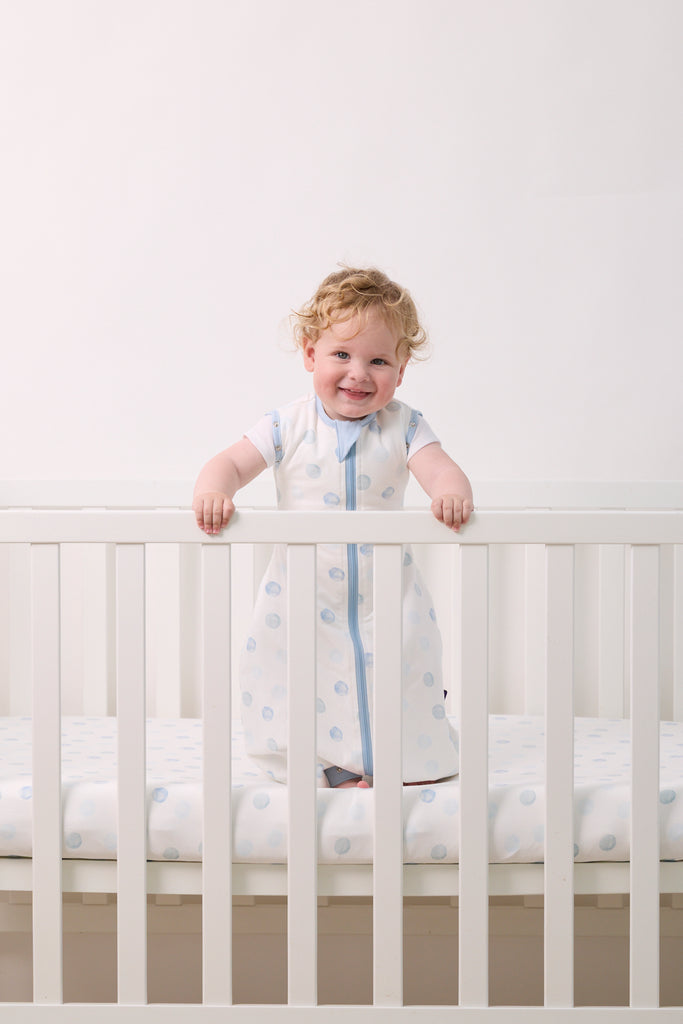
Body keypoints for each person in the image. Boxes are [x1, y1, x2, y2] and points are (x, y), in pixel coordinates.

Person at [193, 267, 473, 788]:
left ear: (401, 369)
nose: (358, 374)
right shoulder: (286, 425)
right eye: (341, 355)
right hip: (301, 592)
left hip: (385, 592)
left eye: (378, 360)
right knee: (300, 677)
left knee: (399, 672)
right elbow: (229, 463)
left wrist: (451, 492)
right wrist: (217, 489)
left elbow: (440, 469)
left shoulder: (405, 426)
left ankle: (393, 764)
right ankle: (330, 765)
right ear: (309, 355)